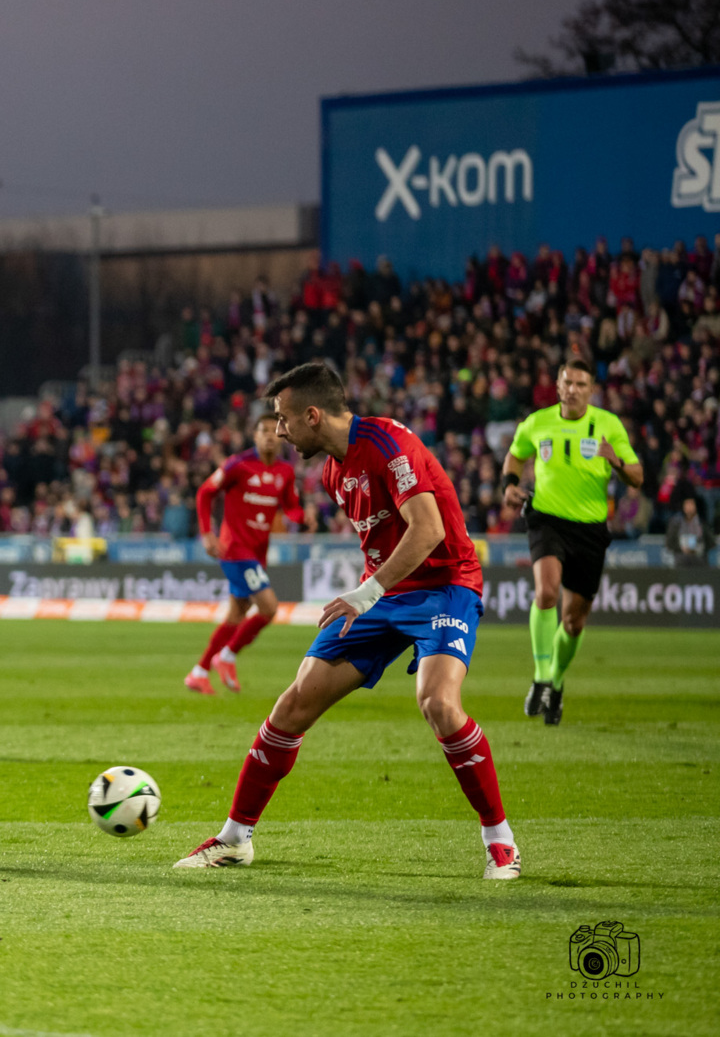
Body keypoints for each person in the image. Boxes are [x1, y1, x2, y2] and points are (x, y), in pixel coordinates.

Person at [176, 362, 518, 880]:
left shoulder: (388, 445)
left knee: (439, 704)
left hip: (446, 586)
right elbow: (381, 543)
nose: (281, 431)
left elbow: (426, 531)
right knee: (293, 703)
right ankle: (234, 838)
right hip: (383, 593)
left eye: (284, 420)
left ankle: (500, 841)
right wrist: (372, 591)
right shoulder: (334, 470)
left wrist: (366, 592)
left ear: (312, 415)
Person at [502, 358, 643, 726]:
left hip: (590, 529)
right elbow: (515, 456)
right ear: (558, 385)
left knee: (574, 622)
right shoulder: (537, 422)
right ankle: (542, 677)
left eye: (582, 384)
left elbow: (638, 477)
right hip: (547, 519)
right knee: (546, 592)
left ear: (591, 389)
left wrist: (616, 462)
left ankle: (557, 685)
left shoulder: (607, 425)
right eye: (568, 382)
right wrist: (510, 486)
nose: (574, 389)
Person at [186, 412, 301, 694]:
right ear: (255, 436)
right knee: (269, 607)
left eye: (275, 431)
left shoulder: (285, 471)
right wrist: (207, 533)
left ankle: (199, 672)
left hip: (258, 551)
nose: (270, 436)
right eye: (264, 431)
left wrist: (302, 515)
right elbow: (204, 493)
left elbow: (291, 506)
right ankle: (226, 657)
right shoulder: (238, 464)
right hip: (234, 548)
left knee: (237, 614)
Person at [666, 497, 714, 566]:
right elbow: (669, 543)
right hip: (681, 558)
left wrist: (699, 547)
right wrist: (681, 548)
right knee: (681, 559)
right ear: (683, 506)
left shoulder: (702, 523)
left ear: (696, 506)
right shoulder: (676, 524)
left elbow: (711, 542)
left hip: (699, 558)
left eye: (691, 504)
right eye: (687, 504)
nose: (689, 507)